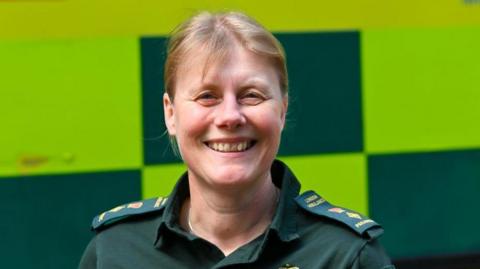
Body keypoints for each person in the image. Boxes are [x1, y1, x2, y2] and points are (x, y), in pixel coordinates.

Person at [79, 11, 395, 269]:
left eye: (251, 95)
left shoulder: (346, 257)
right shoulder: (113, 252)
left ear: (282, 112)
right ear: (170, 114)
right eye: (207, 96)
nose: (230, 116)